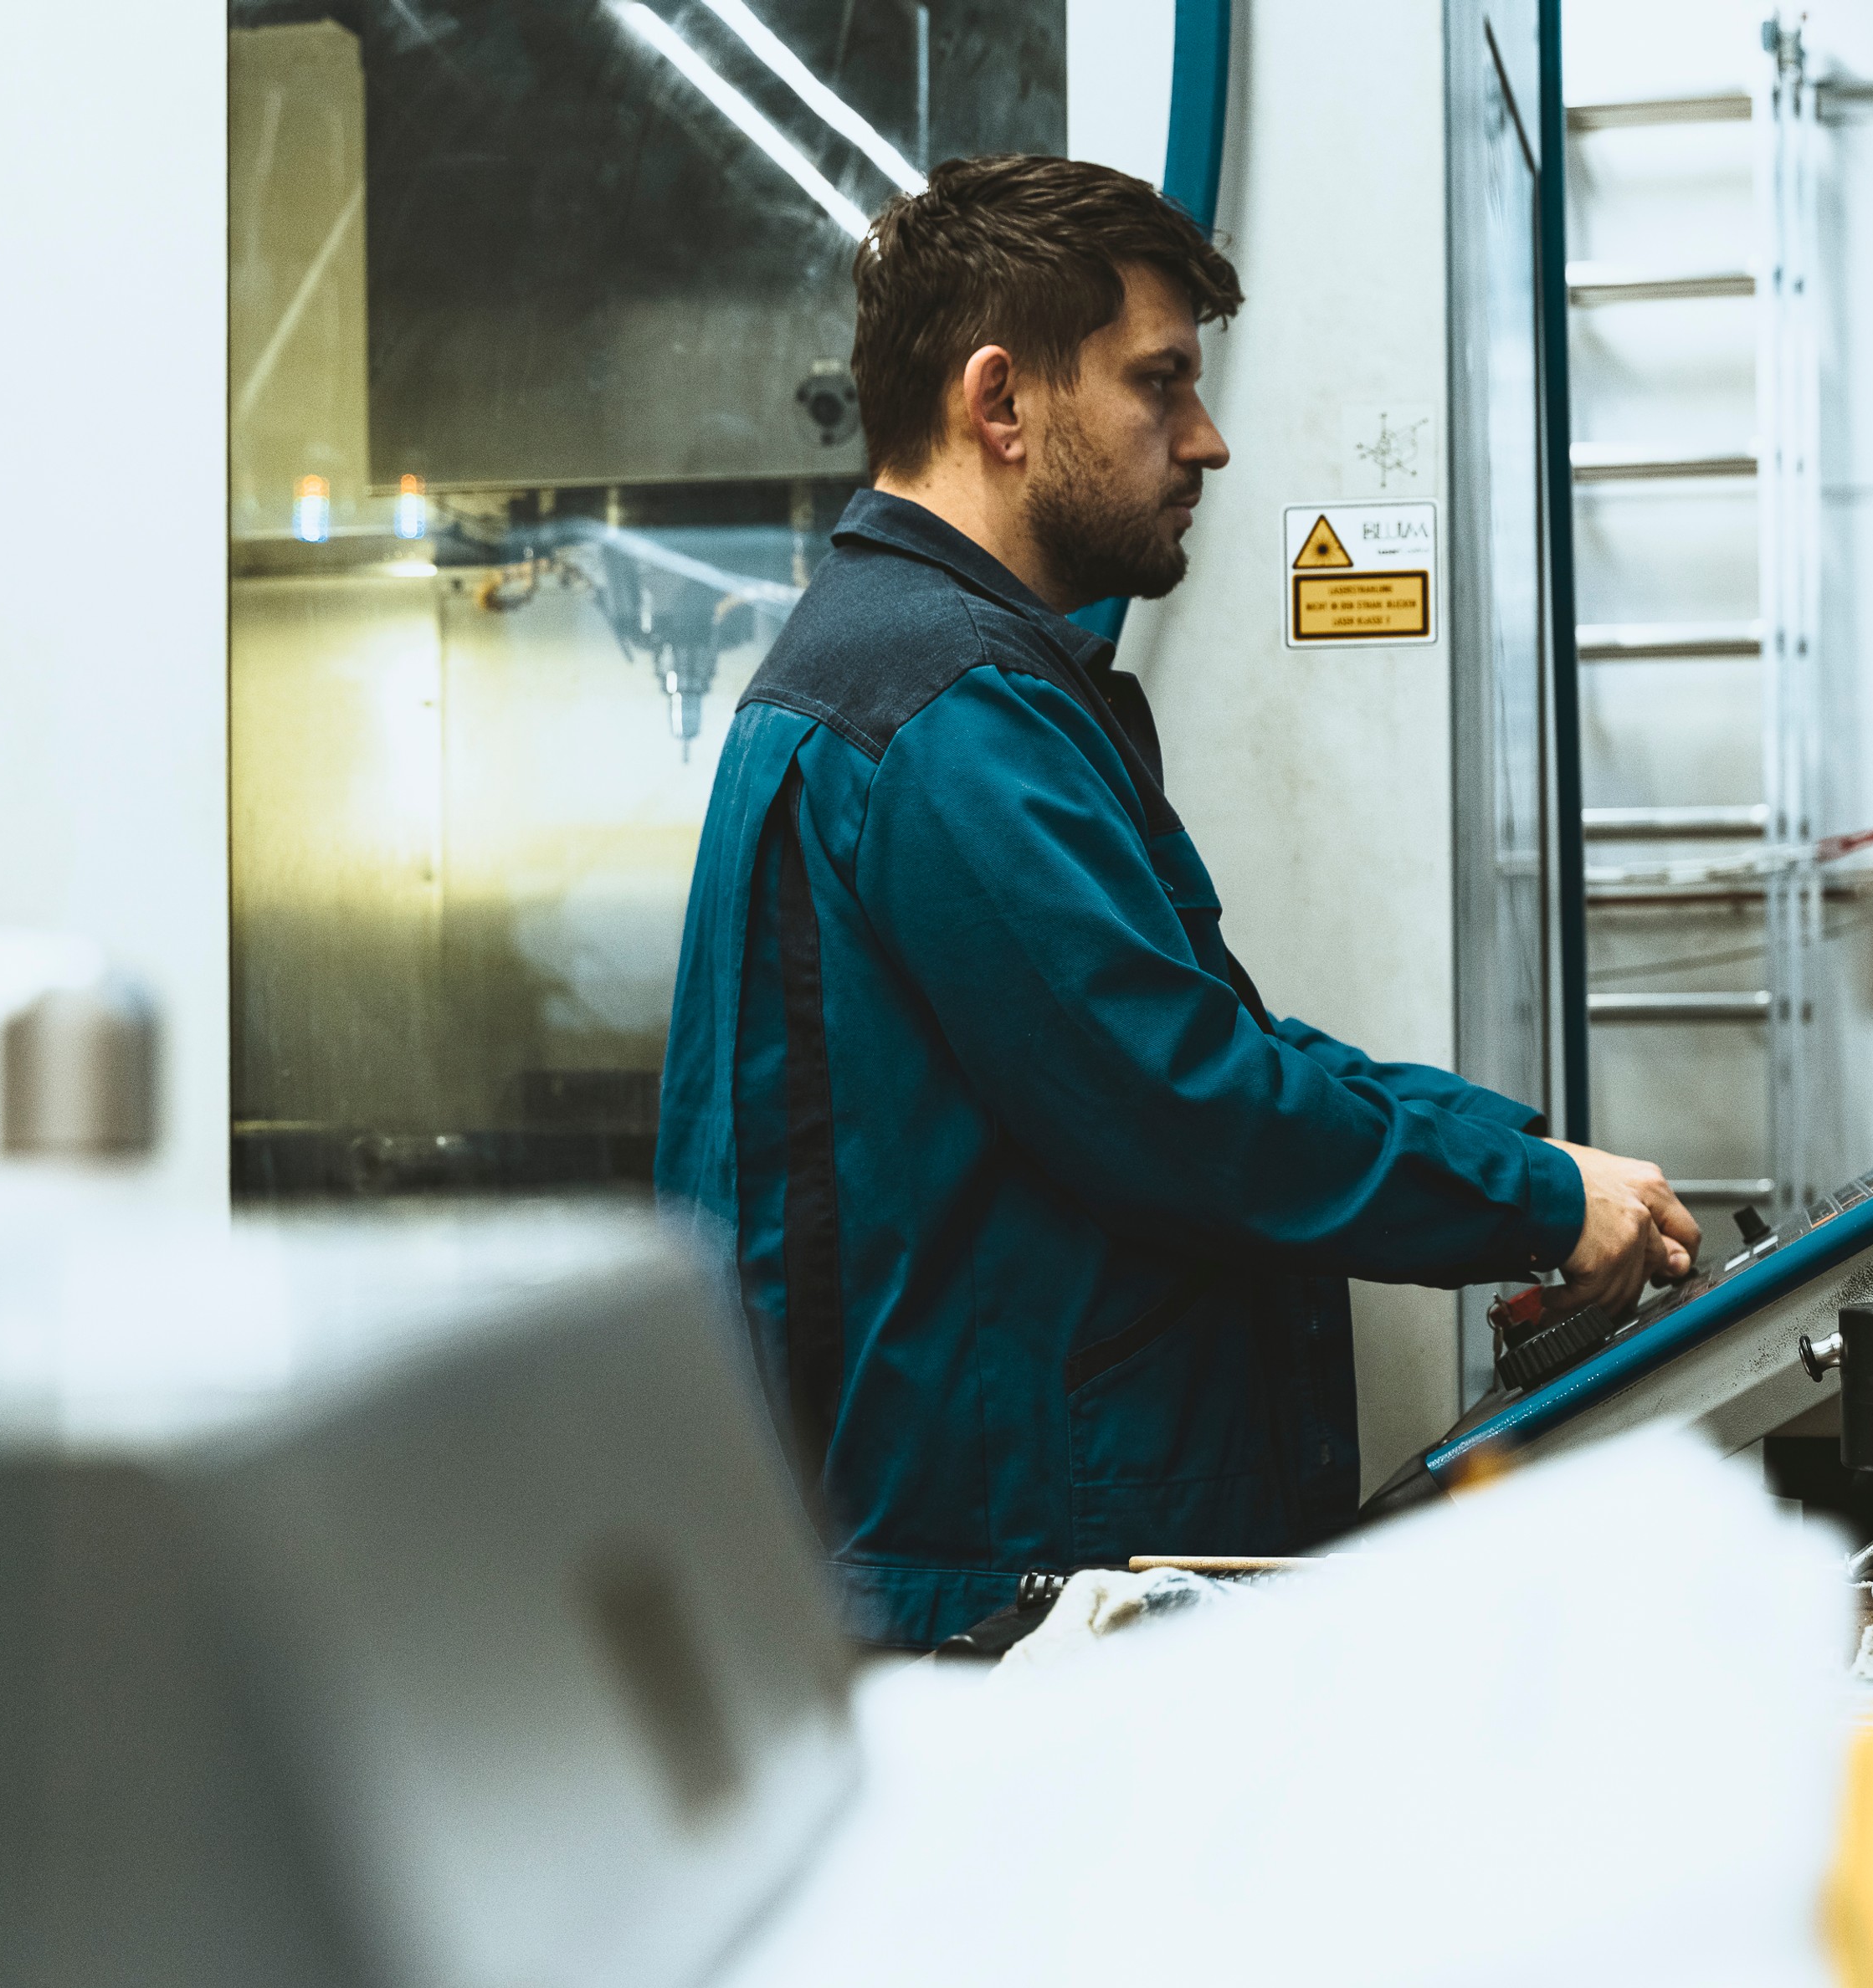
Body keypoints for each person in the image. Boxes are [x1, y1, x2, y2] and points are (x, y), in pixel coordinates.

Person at [657, 156, 1699, 1647]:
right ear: (1001, 404)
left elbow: (1203, 1040)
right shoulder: (945, 706)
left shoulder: (927, 675)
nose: (1205, 440)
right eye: (1160, 383)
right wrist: (1531, 1201)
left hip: (988, 1560)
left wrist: (1524, 1157)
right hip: (1007, 1593)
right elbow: (1182, 1103)